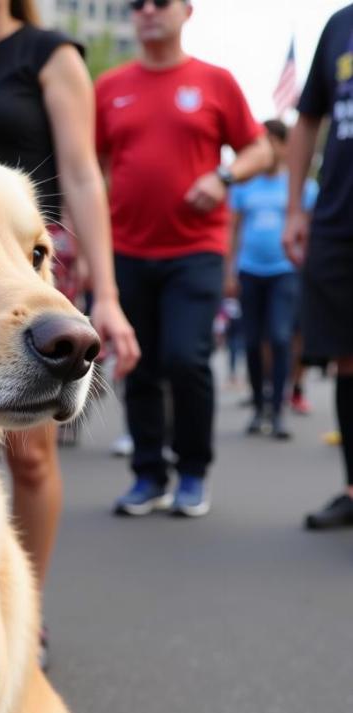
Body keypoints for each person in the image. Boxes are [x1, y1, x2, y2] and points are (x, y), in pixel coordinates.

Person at [0, 0, 139, 578]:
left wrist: (106, 294)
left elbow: (82, 174)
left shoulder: (51, 54)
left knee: (31, 455)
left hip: (27, 265)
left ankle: (25, 610)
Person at [96, 0, 271, 518]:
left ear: (187, 11)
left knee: (185, 357)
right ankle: (149, 474)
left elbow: (260, 149)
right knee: (139, 363)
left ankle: (193, 471)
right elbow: (91, 168)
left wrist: (224, 177)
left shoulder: (215, 82)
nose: (148, 11)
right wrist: (88, 246)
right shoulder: (108, 87)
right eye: (137, 4)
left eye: (160, 2)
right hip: (126, 248)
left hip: (195, 250)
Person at [283, 3, 353, 531]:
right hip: (338, 220)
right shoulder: (340, 25)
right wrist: (295, 210)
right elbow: (308, 119)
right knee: (347, 361)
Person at [226, 119, 318, 440]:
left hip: (285, 272)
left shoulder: (302, 187)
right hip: (249, 272)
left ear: (281, 146)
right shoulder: (243, 185)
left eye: (269, 142)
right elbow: (233, 229)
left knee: (280, 338)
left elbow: (310, 232)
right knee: (251, 341)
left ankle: (278, 410)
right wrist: (229, 271)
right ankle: (259, 407)